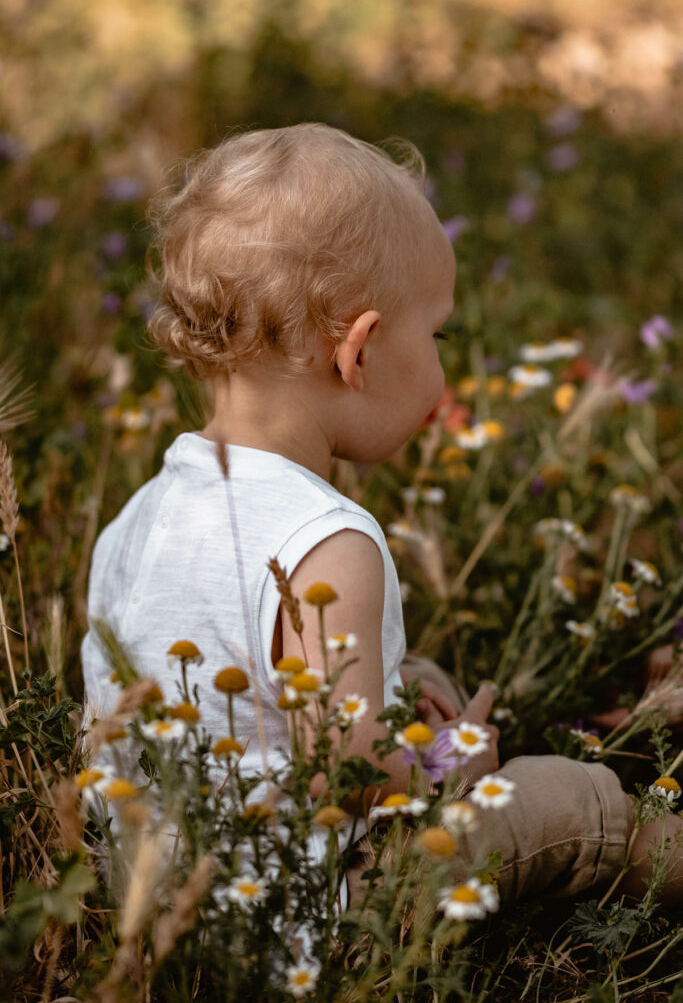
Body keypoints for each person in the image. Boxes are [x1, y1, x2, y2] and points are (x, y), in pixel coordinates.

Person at [81, 123, 682, 907]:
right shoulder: (327, 545)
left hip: (156, 893)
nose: (440, 359)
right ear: (357, 352)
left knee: (414, 677)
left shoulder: (138, 514)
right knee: (565, 801)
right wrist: (445, 770)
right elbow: (343, 769)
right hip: (318, 903)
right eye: (436, 334)